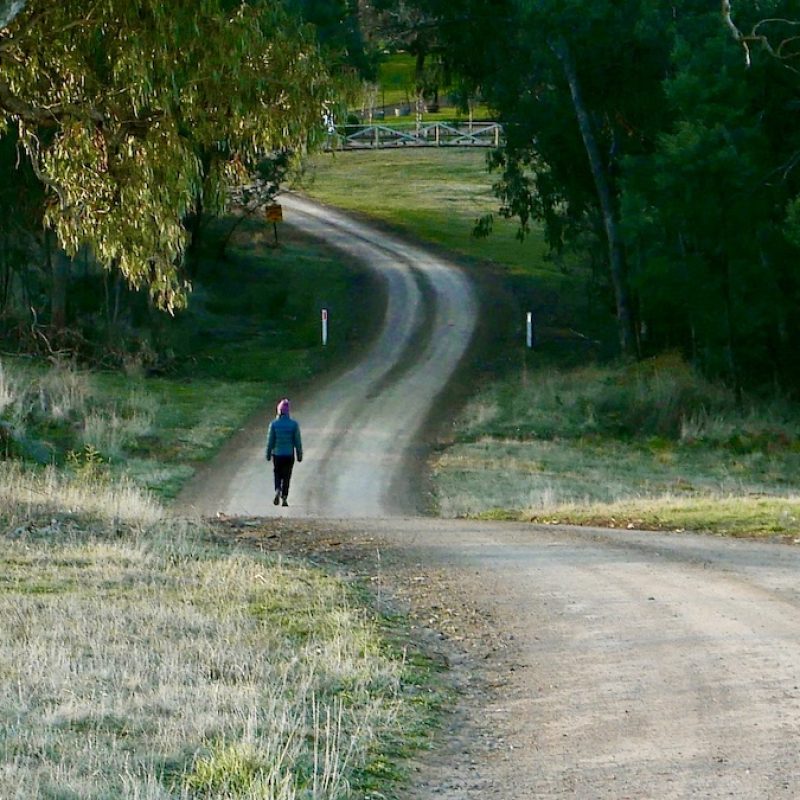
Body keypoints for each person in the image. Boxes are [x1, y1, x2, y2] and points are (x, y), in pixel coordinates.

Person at [265, 398, 302, 507]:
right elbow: (297, 441)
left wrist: (268, 453)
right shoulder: (294, 424)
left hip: (277, 454)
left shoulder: (274, 424)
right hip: (289, 455)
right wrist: (299, 454)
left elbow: (270, 441)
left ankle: (277, 489)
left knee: (277, 473)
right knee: (287, 476)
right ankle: (285, 496)